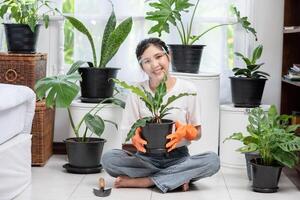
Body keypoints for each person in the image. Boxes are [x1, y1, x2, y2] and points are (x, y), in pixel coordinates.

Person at [102, 37, 220, 193]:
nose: (155, 65)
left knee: (212, 161)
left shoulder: (188, 89)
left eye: (158, 57)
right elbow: (129, 129)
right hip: (145, 159)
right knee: (108, 159)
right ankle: (175, 178)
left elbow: (198, 133)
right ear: (142, 67)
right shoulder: (137, 91)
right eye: (147, 61)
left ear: (168, 56)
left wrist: (186, 131)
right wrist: (134, 137)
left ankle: (147, 181)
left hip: (179, 158)